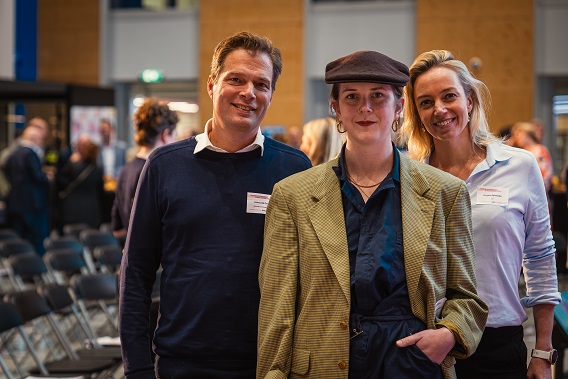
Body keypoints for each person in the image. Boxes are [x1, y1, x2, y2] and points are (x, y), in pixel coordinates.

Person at [257, 50, 487, 379]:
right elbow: (277, 308)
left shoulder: (443, 192)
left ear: (399, 107)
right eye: (352, 97)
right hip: (321, 366)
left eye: (377, 96)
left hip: (410, 365)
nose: (365, 108)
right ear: (335, 107)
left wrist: (449, 334)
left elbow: (466, 296)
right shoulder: (292, 195)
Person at [119, 31, 311, 379]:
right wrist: (137, 368)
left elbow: (311, 277)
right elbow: (135, 275)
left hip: (270, 365)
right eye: (235, 79)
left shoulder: (294, 168)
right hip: (182, 363)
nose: (248, 93)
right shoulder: (164, 165)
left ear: (271, 93)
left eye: (261, 84)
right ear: (211, 85)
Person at [400, 49, 560, 379]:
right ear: (416, 112)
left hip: (497, 342)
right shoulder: (409, 177)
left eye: (449, 96)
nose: (439, 110)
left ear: (470, 100)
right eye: (426, 102)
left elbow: (540, 258)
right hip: (428, 343)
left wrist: (543, 350)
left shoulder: (519, 166)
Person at [111, 98, 179, 243]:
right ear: (165, 135)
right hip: (151, 259)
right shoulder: (154, 172)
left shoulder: (126, 169)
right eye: (175, 137)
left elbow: (117, 224)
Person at [3, 118, 51, 255]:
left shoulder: (12, 155)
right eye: (41, 139)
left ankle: (20, 269)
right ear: (35, 139)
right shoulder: (30, 154)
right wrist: (47, 177)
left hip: (15, 204)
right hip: (33, 205)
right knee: (35, 242)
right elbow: (38, 176)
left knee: (18, 242)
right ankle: (34, 273)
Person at [56, 134, 104, 231]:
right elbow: (100, 190)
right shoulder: (97, 169)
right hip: (91, 212)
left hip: (71, 211)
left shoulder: (71, 166)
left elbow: (60, 182)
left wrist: (69, 163)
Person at [511, 121, 554, 193]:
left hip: (537, 192)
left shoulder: (540, 150)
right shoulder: (523, 151)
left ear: (527, 134)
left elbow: (545, 174)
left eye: (518, 135)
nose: (516, 138)